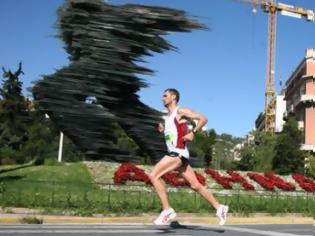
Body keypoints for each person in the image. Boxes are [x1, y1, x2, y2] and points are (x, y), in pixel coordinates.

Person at [149, 88, 229, 226]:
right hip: (179, 154)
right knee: (195, 185)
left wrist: (193, 132)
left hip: (177, 153)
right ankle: (219, 207)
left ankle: (167, 210)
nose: (162, 98)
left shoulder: (180, 111)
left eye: (165, 95)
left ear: (173, 97)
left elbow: (203, 119)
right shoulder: (167, 118)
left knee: (153, 176)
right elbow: (174, 135)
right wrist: (163, 132)